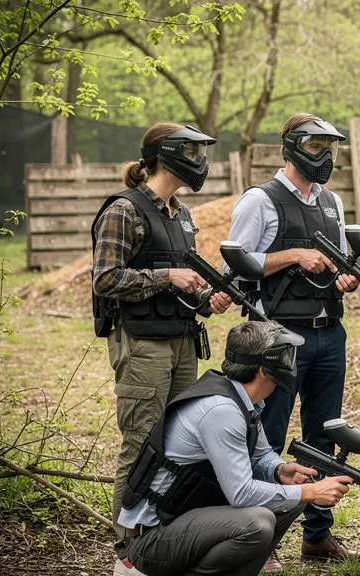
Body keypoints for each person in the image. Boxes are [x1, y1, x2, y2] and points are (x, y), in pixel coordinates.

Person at [91, 122, 232, 576]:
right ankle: (126, 553)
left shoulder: (182, 214)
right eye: (192, 151)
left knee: (174, 446)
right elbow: (105, 279)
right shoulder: (125, 211)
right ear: (166, 154)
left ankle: (159, 537)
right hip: (142, 345)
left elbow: (182, 286)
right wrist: (167, 276)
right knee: (140, 445)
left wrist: (209, 301)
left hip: (181, 341)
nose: (200, 160)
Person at [225, 113, 360, 568]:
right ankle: (255, 539)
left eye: (329, 146)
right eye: (314, 145)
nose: (323, 155)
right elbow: (235, 267)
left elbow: (337, 263)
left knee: (324, 438)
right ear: (290, 147)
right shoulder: (259, 200)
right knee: (266, 435)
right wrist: (292, 255)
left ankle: (317, 535)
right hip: (278, 336)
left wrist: (345, 278)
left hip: (329, 333)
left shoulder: (332, 203)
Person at [117, 321, 356, 576]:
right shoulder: (222, 411)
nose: (290, 363)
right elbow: (241, 493)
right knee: (258, 524)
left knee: (290, 497)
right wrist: (309, 491)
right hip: (151, 540)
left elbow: (261, 455)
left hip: (182, 523)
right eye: (286, 356)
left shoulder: (241, 399)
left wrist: (279, 470)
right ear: (264, 369)